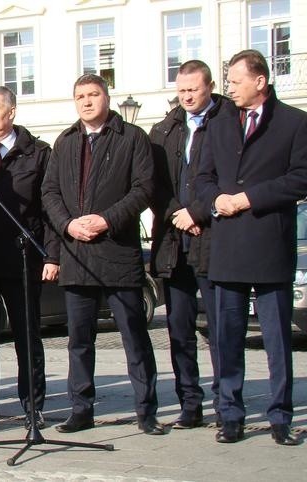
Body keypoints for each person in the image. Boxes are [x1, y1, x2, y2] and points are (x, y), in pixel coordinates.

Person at [41, 74, 164, 436]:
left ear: (106, 98)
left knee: (134, 336)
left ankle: (146, 410)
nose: (87, 101)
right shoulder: (64, 142)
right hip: (77, 256)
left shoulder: (132, 138)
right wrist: (68, 225)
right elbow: (49, 193)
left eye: (93, 94)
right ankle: (81, 409)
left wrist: (106, 220)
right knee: (79, 340)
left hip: (118, 254)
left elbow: (144, 189)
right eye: (80, 96)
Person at [195, 49, 307, 446]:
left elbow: (300, 179)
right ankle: (231, 415)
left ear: (260, 81)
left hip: (269, 245)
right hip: (226, 246)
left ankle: (280, 417)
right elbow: (202, 177)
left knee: (276, 339)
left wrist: (247, 199)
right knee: (227, 338)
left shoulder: (294, 123)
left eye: (235, 81)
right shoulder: (219, 125)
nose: (230, 88)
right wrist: (216, 201)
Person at [0, 86, 59, 432]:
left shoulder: (37, 153)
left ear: (12, 112)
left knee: (27, 336)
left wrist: (52, 254)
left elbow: (49, 207)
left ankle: (32, 406)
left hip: (22, 258)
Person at [149, 60, 231, 429]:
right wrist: (177, 214)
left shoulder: (229, 122)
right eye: (181, 90)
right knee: (179, 329)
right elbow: (153, 183)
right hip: (173, 243)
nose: (186, 96)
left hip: (215, 240)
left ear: (210, 86)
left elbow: (231, 178)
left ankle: (227, 402)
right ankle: (190, 403)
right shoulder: (165, 129)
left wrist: (197, 213)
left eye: (193, 90)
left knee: (220, 328)